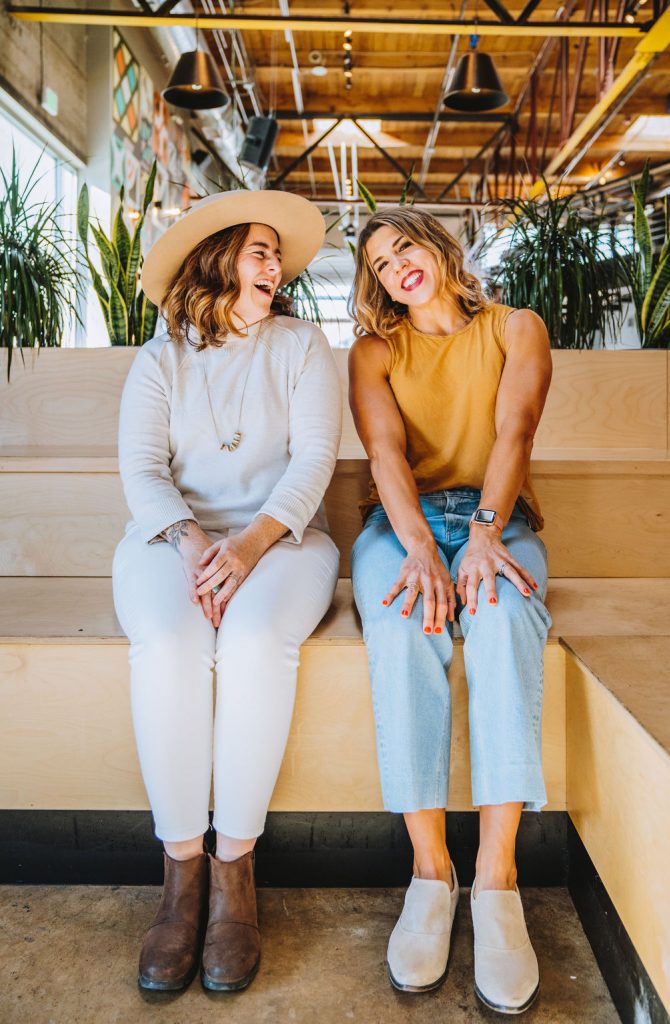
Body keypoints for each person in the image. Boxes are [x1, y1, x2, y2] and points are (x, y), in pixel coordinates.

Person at [112, 190, 342, 994]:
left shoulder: (304, 346)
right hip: (170, 538)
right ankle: (180, 879)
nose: (274, 266)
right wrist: (195, 541)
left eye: (275, 253)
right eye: (258, 251)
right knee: (172, 644)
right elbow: (141, 471)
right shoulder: (159, 358)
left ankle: (235, 874)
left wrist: (246, 546)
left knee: (249, 643)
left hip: (283, 540)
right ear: (216, 260)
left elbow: (313, 462)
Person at [348, 207, 553, 1014]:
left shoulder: (515, 327)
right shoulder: (373, 351)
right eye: (379, 260)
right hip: (399, 525)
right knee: (405, 622)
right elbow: (383, 453)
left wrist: (480, 533)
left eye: (405, 244)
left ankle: (497, 881)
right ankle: (430, 873)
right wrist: (423, 549)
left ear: (435, 249)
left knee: (501, 618)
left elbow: (516, 428)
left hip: (497, 520)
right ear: (376, 284)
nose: (397, 263)